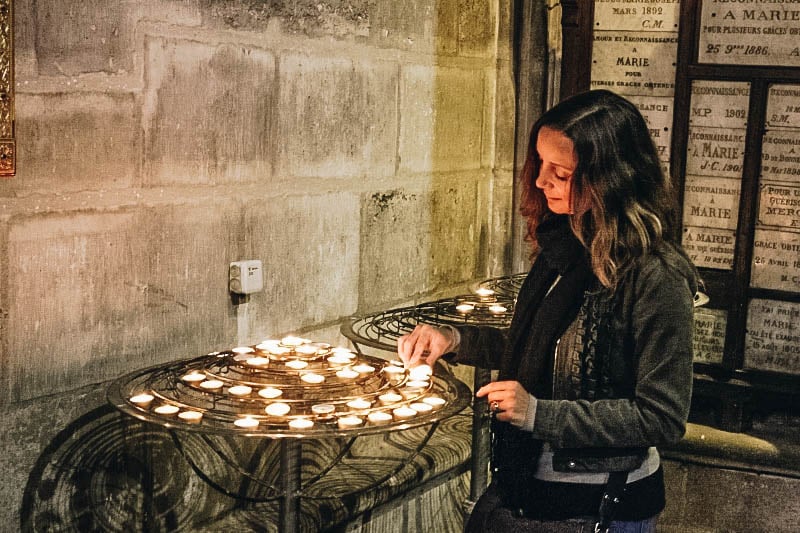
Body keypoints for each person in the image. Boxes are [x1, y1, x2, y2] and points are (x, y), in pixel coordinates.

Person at [397, 89, 698, 533]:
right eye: (539, 164)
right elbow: (547, 346)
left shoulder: (657, 276)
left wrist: (539, 414)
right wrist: (455, 340)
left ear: (610, 178)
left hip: (596, 507)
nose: (541, 181)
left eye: (561, 172)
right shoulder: (568, 242)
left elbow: (662, 416)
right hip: (524, 490)